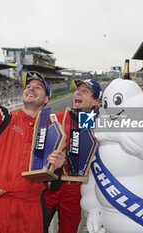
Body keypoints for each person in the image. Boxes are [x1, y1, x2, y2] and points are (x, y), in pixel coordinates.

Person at [0, 20, 66, 233]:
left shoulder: (53, 132)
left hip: (31, 209)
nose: (31, 88)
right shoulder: (4, 118)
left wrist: (58, 167)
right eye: (28, 86)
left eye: (38, 87)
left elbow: (54, 185)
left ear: (46, 99)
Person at [44, 79, 102, 233]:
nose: (78, 93)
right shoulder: (56, 118)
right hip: (50, 185)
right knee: (35, 227)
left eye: (85, 91)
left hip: (75, 189)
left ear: (95, 101)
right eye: (78, 90)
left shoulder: (96, 124)